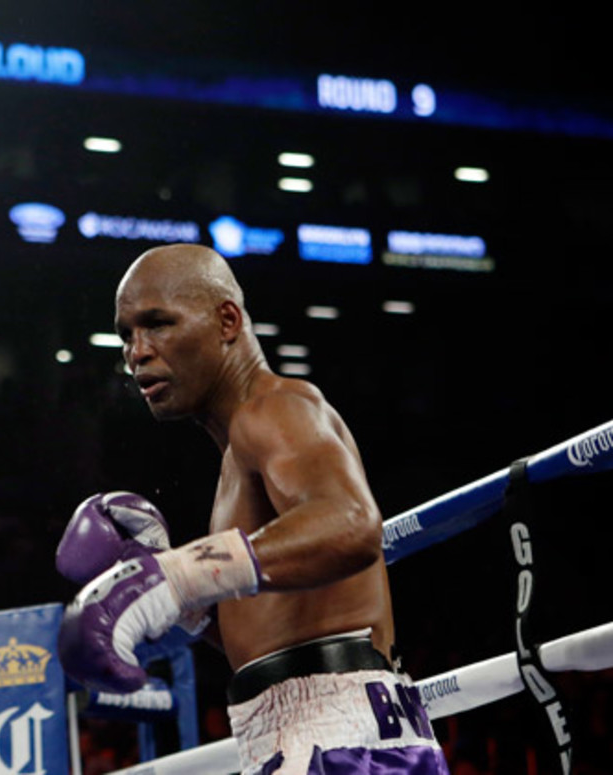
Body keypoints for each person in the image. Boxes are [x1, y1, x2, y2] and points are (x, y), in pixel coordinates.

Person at [56, 244, 449, 774]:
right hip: (309, 739)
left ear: (227, 320)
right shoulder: (236, 460)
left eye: (157, 324)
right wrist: (188, 607)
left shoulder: (278, 407)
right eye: (127, 333)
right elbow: (267, 637)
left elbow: (353, 524)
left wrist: (168, 578)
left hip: (344, 747)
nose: (137, 351)